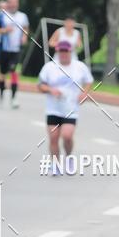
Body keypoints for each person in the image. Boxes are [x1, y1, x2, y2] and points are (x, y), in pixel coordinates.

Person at [37, 40, 94, 169]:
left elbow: (89, 81)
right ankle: (55, 164)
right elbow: (40, 85)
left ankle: (69, 157)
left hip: (71, 109)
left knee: (67, 136)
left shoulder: (79, 66)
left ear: (70, 52)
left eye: (66, 51)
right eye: (60, 51)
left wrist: (84, 93)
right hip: (53, 109)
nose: (63, 54)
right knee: (54, 138)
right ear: (57, 52)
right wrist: (51, 90)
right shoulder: (50, 67)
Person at [0, 0, 29, 109]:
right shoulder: (1, 16)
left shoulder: (23, 16)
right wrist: (5, 30)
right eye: (11, 2)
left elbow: (25, 28)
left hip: (16, 50)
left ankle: (14, 98)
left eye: (15, 2)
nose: (13, 5)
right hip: (3, 48)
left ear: (18, 3)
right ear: (8, 3)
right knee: (2, 74)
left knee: (14, 71)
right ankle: (1, 95)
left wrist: (24, 37)